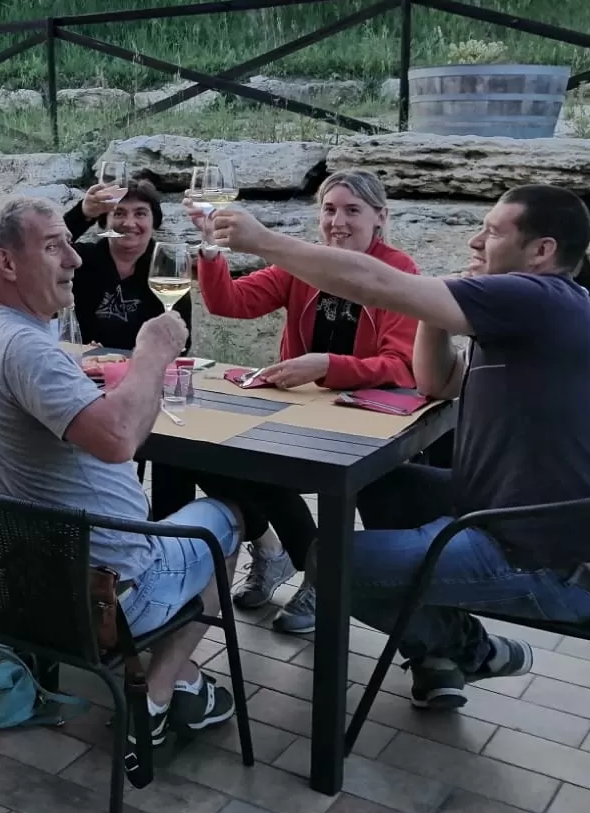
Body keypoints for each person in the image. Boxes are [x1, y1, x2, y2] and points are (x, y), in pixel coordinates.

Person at [204, 184, 590, 710]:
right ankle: (440, 654)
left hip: (554, 566)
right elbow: (436, 381)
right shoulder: (531, 314)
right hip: (508, 517)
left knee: (335, 561)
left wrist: (264, 240)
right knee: (385, 481)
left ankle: (468, 650)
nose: (476, 241)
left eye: (494, 232)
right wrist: (436, 304)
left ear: (542, 251)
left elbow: (374, 282)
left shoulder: (544, 299)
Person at [0, 195, 241, 748]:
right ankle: (157, 693)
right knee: (225, 519)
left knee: (174, 522)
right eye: (54, 246)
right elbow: (118, 440)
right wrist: (152, 352)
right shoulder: (26, 350)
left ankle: (182, 681)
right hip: (108, 594)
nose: (76, 260)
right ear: (6, 264)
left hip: (26, 589)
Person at [168, 170, 420, 636]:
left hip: (363, 419)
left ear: (380, 218)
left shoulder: (398, 272)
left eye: (352, 210)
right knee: (205, 453)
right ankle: (276, 552)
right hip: (297, 410)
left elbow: (401, 365)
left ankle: (319, 578)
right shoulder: (305, 263)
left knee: (297, 478)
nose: (337, 221)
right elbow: (231, 303)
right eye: (328, 209)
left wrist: (328, 365)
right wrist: (210, 248)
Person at [65, 177, 191, 350]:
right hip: (79, 369)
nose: (129, 223)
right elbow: (42, 248)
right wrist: (82, 213)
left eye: (140, 213)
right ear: (104, 221)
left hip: (145, 373)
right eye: (119, 213)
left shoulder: (169, 273)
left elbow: (182, 342)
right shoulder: (79, 260)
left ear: (154, 221)